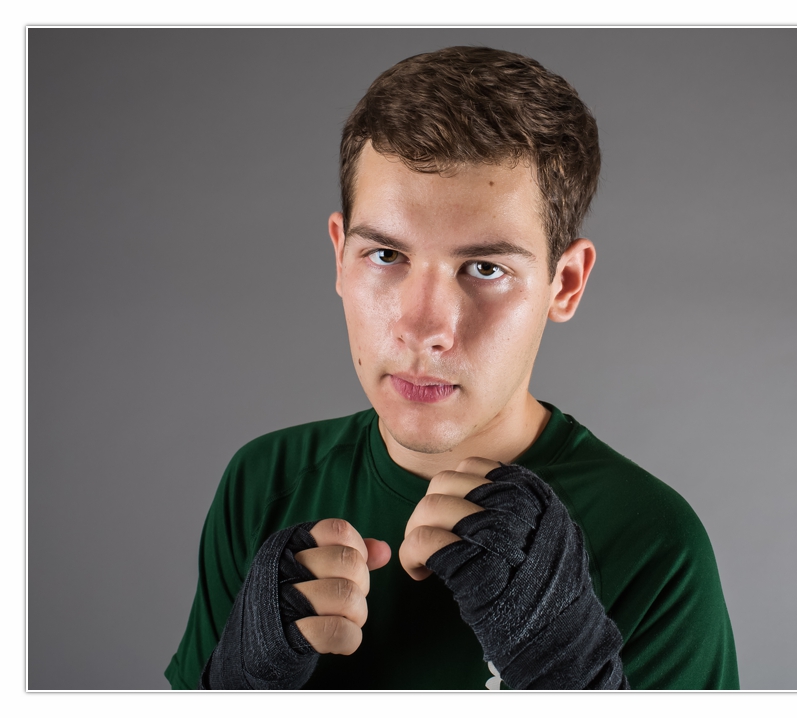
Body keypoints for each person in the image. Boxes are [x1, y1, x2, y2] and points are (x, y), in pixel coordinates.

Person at [165, 45, 739, 691]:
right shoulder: (262, 484)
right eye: (385, 254)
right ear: (338, 255)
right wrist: (236, 687)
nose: (424, 327)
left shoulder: (654, 542)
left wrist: (568, 679)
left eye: (486, 269)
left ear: (565, 284)